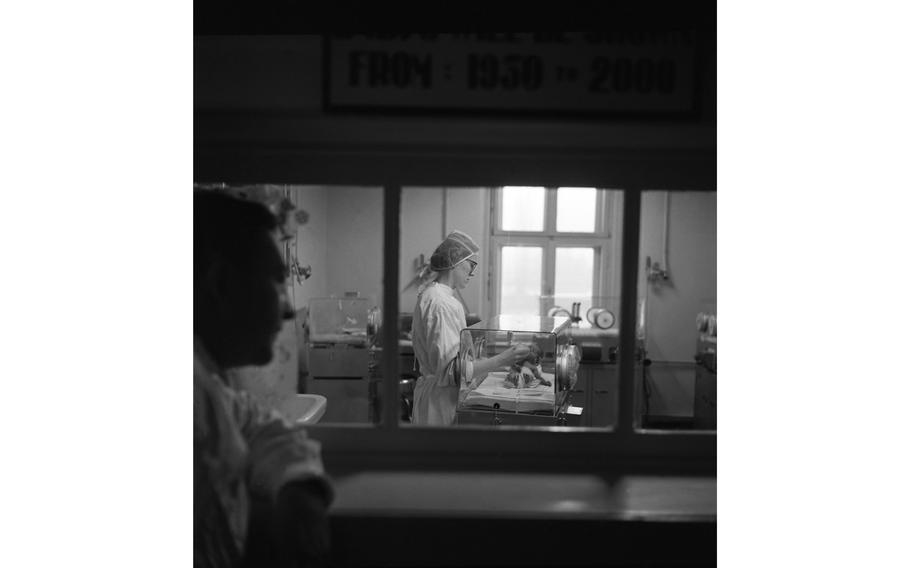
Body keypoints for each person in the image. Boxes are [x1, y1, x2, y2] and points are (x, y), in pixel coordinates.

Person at [194, 190, 333, 568]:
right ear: (220, 282)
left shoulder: (208, 382)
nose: (289, 309)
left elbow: (258, 426)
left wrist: (298, 485)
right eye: (276, 281)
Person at [411, 230, 530, 426]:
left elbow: (456, 363)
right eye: (471, 265)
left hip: (439, 400)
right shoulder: (442, 304)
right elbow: (451, 372)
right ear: (456, 263)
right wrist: (503, 359)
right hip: (440, 407)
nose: (472, 273)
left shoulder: (435, 296)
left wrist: (502, 364)